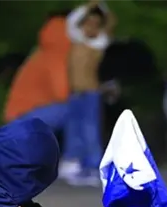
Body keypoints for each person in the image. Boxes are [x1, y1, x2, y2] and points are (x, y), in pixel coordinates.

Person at [60, 0, 116, 186]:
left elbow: (110, 21)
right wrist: (90, 5)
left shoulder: (99, 42)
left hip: (90, 93)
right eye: (87, 23)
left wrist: (102, 6)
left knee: (90, 129)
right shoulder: (77, 39)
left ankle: (93, 167)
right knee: (74, 127)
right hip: (75, 93)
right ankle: (74, 163)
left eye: (95, 24)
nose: (90, 27)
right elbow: (71, 20)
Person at [3, 11, 73, 132]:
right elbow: (62, 93)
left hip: (19, 117)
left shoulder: (43, 52)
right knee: (80, 110)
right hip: (25, 119)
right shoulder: (57, 54)